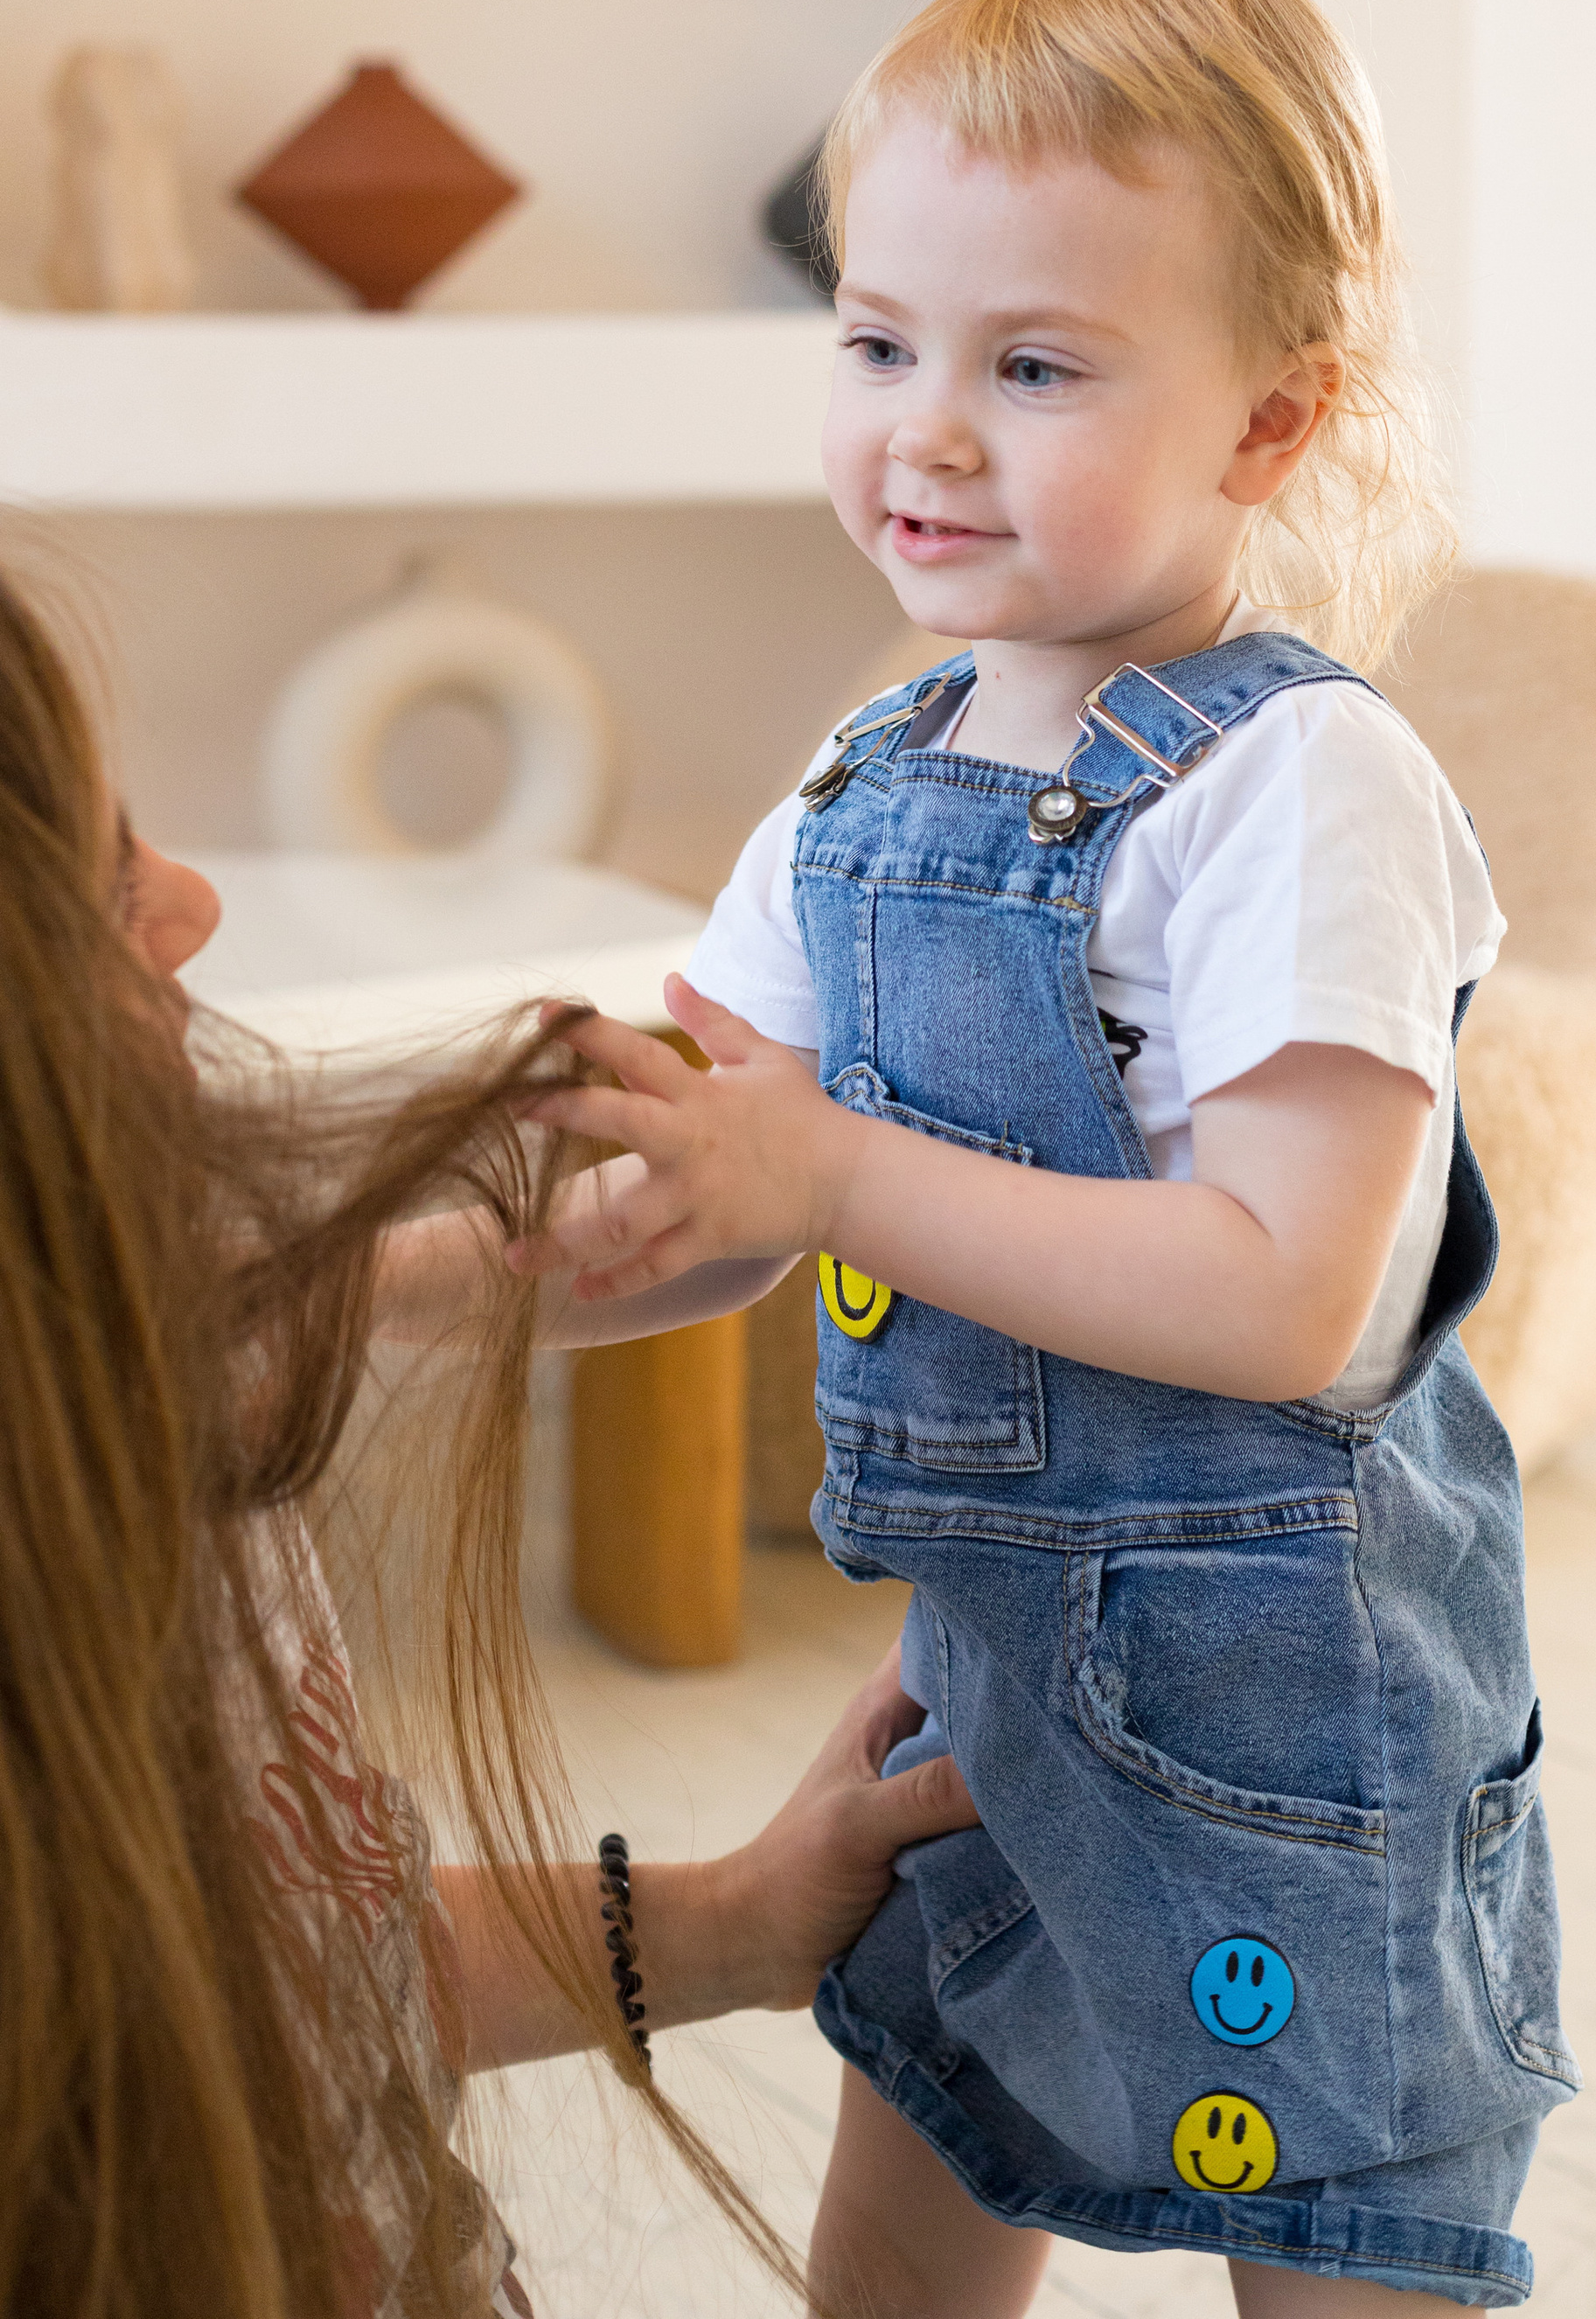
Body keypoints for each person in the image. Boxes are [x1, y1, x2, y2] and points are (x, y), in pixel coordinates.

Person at [500, 0, 1580, 2313]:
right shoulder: (857, 784)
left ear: (1270, 425)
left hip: (1298, 1748)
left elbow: (1288, 1290)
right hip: (985, 1707)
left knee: (1339, 2229)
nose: (930, 428)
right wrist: (492, 1275)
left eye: (1039, 365)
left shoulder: (1301, 789)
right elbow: (724, 1175)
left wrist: (837, 1169)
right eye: (880, 342)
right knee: (903, 2233)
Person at [0, 558, 977, 2319]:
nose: (196, 903)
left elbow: (292, 1977)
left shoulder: (139, 1339)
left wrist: (737, 1922)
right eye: (95, 873)